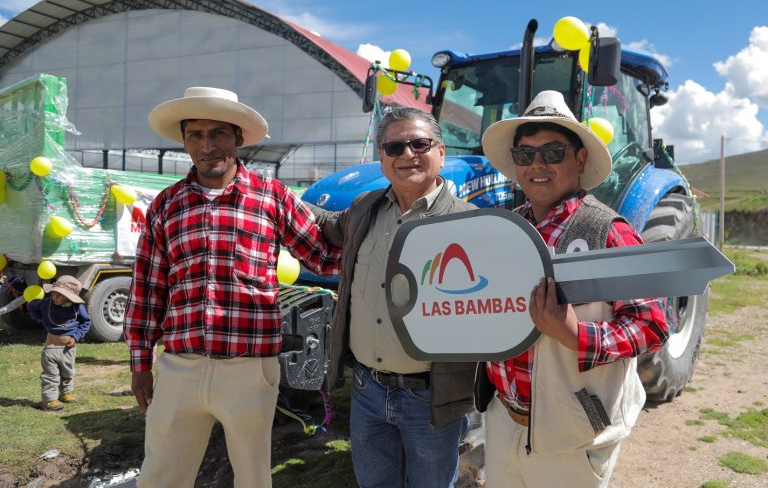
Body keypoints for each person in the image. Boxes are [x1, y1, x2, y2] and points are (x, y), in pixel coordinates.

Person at [123, 87, 341, 488]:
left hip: (250, 368)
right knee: (159, 477)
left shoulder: (271, 197)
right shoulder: (166, 205)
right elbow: (147, 288)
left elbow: (323, 257)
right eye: (196, 135)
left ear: (238, 137)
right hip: (180, 367)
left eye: (218, 133)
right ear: (184, 141)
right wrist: (140, 363)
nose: (207, 146)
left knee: (253, 478)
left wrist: (379, 231)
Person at [478, 90, 670, 488]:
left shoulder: (608, 232)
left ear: (579, 159)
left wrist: (573, 334)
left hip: (571, 432)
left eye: (552, 153)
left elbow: (652, 322)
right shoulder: (504, 230)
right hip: (501, 421)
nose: (536, 165)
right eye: (525, 154)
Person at [313, 106, 477, 488]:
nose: (407, 154)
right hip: (368, 391)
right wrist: (268, 194)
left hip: (431, 398)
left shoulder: (470, 224)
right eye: (395, 146)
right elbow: (322, 225)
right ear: (382, 159)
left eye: (419, 143)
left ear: (441, 152)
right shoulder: (363, 210)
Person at [26, 275, 91, 411]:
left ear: (69, 297)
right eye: (54, 293)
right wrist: (41, 319)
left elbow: (86, 322)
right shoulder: (45, 303)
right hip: (51, 348)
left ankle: (66, 393)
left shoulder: (77, 308)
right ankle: (49, 400)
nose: (55, 298)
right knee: (50, 375)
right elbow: (30, 306)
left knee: (67, 373)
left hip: (68, 349)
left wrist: (77, 336)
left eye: (59, 296)